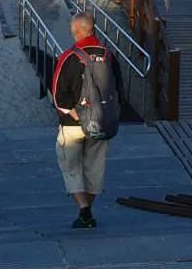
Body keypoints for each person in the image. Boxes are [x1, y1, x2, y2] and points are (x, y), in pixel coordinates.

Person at [50, 12, 119, 230]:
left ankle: (84, 210)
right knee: (94, 168)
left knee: (71, 167)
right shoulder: (109, 56)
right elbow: (119, 92)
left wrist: (75, 115)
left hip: (73, 126)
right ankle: (87, 211)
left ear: (77, 30)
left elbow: (58, 96)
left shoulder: (69, 57)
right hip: (101, 121)